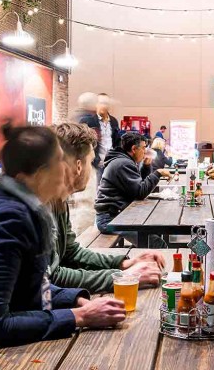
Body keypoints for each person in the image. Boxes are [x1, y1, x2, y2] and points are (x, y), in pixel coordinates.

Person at [0, 124, 126, 370]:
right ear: (36, 173)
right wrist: (78, 317)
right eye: (59, 162)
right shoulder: (9, 218)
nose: (67, 170)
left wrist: (77, 300)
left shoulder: (16, 205)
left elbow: (32, 282)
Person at [50, 123, 164, 293]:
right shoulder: (34, 207)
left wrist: (124, 263)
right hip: (111, 219)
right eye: (91, 161)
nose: (95, 169)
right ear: (79, 165)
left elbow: (71, 253)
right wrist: (122, 276)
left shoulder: (57, 200)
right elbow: (52, 278)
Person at [94, 132, 157, 234]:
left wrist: (146, 167)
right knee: (150, 238)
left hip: (117, 215)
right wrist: (158, 174)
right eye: (143, 148)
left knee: (152, 227)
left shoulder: (123, 161)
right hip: (110, 220)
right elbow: (140, 192)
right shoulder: (123, 163)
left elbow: (137, 186)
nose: (145, 151)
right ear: (133, 149)